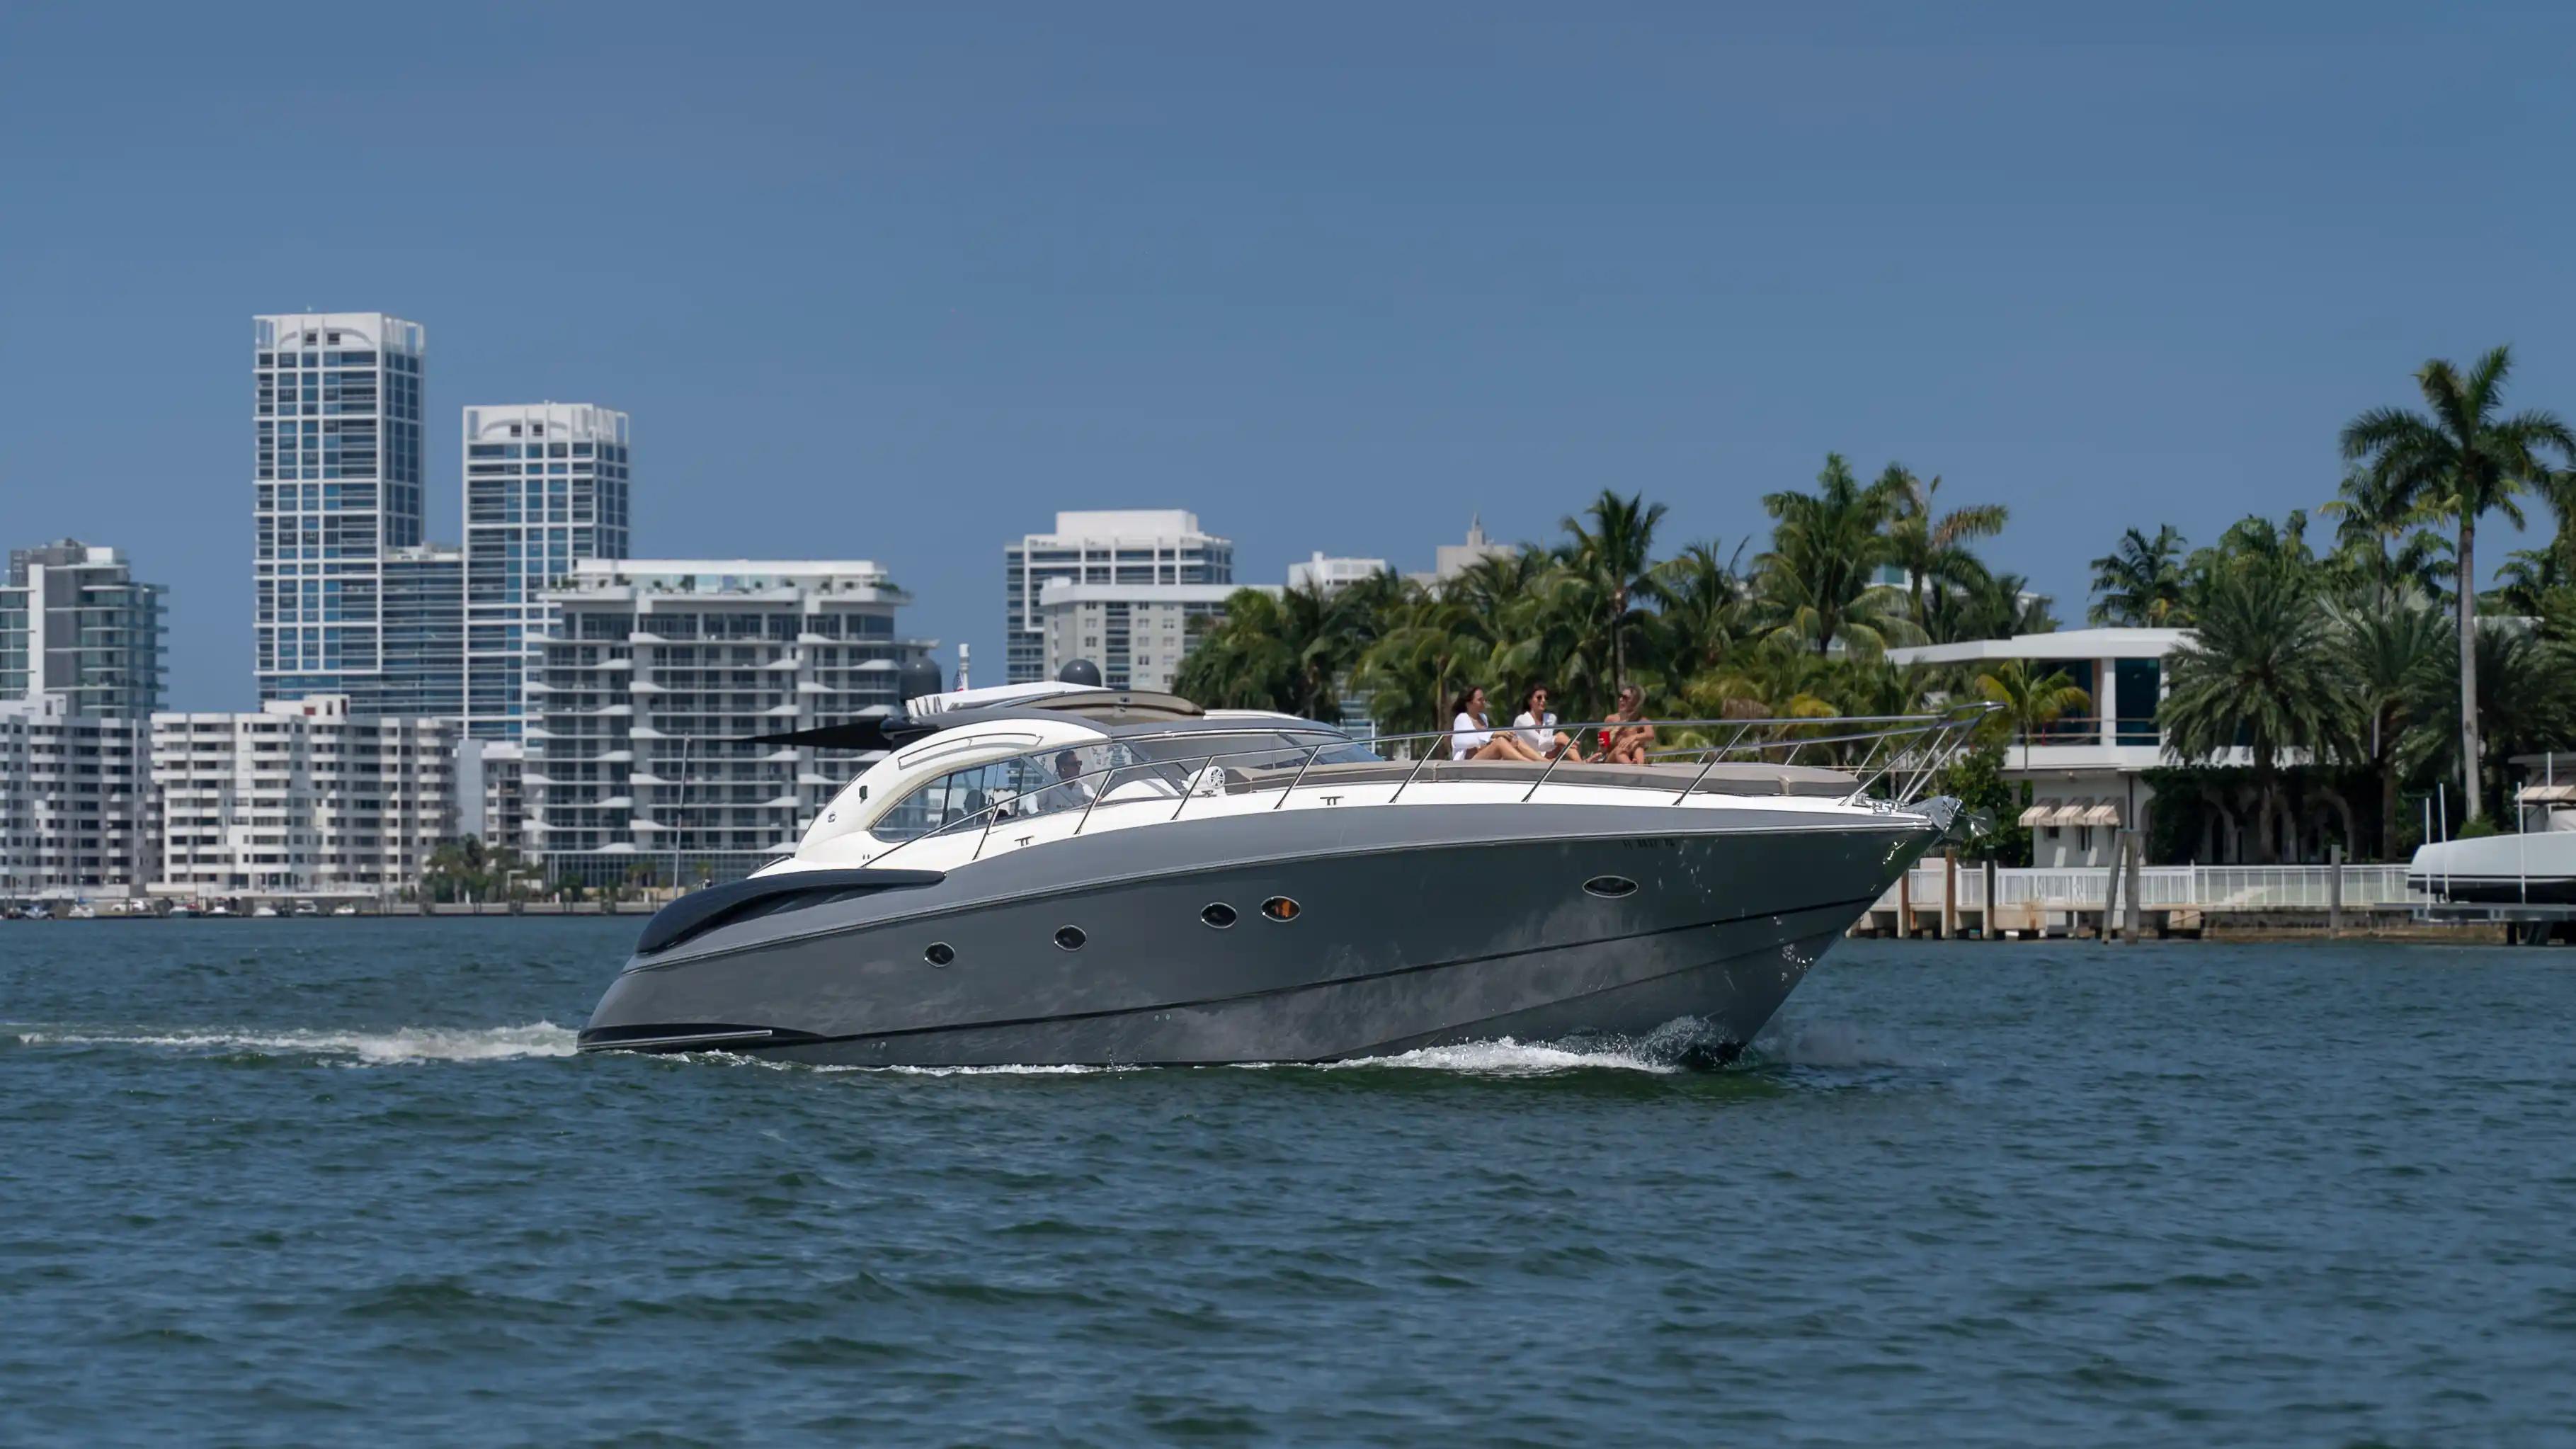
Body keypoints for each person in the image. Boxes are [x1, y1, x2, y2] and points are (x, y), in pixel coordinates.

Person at [1452, 686, 1549, 762]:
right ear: (1468, 703)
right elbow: (1468, 742)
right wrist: (1494, 734)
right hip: (1468, 761)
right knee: (1500, 742)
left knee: (1515, 740)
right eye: (1480, 700)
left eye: (1484, 699)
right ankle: (1529, 763)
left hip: (1483, 754)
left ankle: (1544, 761)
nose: (1484, 702)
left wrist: (1501, 736)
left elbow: (1484, 741)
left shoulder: (1483, 717)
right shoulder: (1462, 718)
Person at [1511, 686, 1586, 761]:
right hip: (1528, 755)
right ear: (1530, 701)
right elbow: (1538, 742)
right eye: (1539, 698)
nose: (1543, 700)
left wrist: (1561, 740)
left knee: (1562, 737)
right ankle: (1582, 763)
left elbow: (1547, 744)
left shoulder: (1551, 718)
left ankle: (1580, 763)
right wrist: (1558, 739)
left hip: (1545, 754)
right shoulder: (1522, 720)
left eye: (1546, 698)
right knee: (1561, 737)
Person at [1600, 683, 1656, 766]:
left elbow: (1651, 735)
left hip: (1631, 756)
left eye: (1625, 698)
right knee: (1620, 749)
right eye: (1621, 696)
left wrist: (1633, 738)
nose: (1621, 700)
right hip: (1612, 758)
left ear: (1635, 702)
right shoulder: (1611, 719)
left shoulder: (1641, 721)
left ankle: (1640, 765)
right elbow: (1603, 750)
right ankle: (1633, 766)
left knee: (1637, 746)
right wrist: (1603, 741)